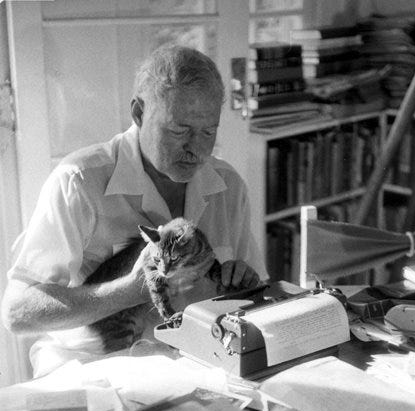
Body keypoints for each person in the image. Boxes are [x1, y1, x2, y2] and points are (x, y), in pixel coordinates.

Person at [1, 45, 267, 377]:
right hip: (92, 367)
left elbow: (257, 296)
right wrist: (126, 291)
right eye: (179, 131)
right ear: (139, 113)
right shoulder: (78, 182)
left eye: (208, 132)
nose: (196, 150)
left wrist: (245, 287)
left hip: (195, 364)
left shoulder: (229, 186)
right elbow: (17, 313)